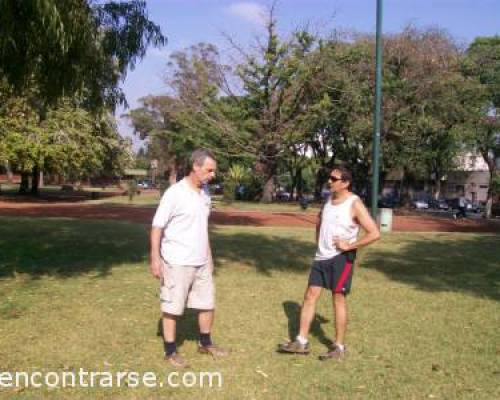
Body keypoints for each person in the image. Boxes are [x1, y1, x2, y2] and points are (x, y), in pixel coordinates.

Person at [279, 166, 380, 360]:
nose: (330, 181)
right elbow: (319, 222)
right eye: (329, 178)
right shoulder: (329, 200)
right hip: (321, 257)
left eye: (334, 179)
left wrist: (350, 246)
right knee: (310, 295)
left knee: (338, 299)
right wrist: (318, 242)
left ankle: (339, 347)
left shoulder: (354, 203)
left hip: (341, 259)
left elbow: (374, 233)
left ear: (345, 183)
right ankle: (301, 341)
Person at [150, 148, 229, 368]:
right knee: (173, 307)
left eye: (213, 170)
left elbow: (202, 229)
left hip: (202, 261)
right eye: (209, 170)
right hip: (177, 261)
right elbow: (157, 227)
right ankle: (170, 351)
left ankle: (205, 343)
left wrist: (209, 257)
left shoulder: (205, 194)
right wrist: (155, 258)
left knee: (207, 304)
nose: (212, 174)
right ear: (196, 166)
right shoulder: (174, 193)